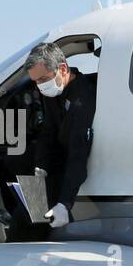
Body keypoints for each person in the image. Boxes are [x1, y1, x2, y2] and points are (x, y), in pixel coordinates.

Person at [24, 43, 97, 231]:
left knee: (28, 219)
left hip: (72, 167)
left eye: (43, 79)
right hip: (57, 164)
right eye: (35, 82)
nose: (40, 87)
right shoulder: (53, 92)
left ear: (63, 69)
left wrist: (65, 204)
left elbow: (78, 153)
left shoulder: (83, 99)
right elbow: (48, 132)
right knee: (27, 208)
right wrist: (41, 168)